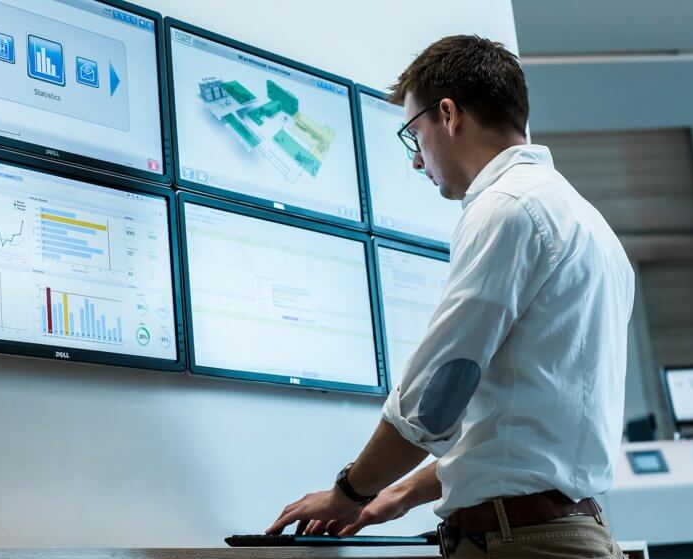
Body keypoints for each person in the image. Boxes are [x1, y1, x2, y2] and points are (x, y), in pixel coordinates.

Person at [266, 35, 635, 558]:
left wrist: (349, 492)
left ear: (448, 115)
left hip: (520, 543)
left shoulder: (507, 209)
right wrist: (398, 494)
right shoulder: (588, 224)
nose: (417, 161)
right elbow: (519, 435)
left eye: (413, 133)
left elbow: (437, 396)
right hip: (567, 533)